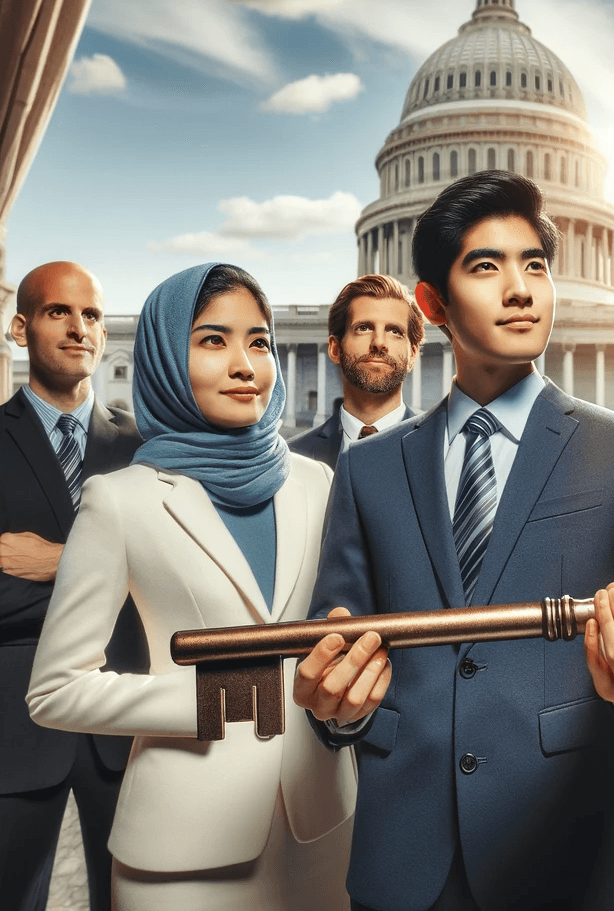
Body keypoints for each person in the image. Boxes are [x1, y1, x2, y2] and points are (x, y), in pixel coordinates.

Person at [293, 170, 614, 911]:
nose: (520, 288)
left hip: (574, 853)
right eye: (486, 266)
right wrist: (340, 703)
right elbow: (341, 637)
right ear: (432, 302)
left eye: (536, 265)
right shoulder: (368, 468)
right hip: (409, 859)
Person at [27, 263, 356, 911]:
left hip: (324, 831)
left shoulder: (318, 482)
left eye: (259, 341)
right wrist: (208, 701)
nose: (245, 365)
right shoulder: (118, 502)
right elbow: (55, 689)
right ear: (165, 359)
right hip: (182, 849)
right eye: (212, 340)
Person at [0, 261, 144, 911]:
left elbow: (164, 588)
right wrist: (118, 575)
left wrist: (58, 563)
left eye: (92, 316)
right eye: (60, 311)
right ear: (20, 326)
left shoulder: (147, 450)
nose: (80, 327)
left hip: (126, 724)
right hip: (15, 722)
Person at [289, 273, 423, 466]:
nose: (379, 343)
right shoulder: (294, 458)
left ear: (413, 354)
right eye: (363, 328)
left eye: (395, 331)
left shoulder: (447, 450)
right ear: (335, 349)